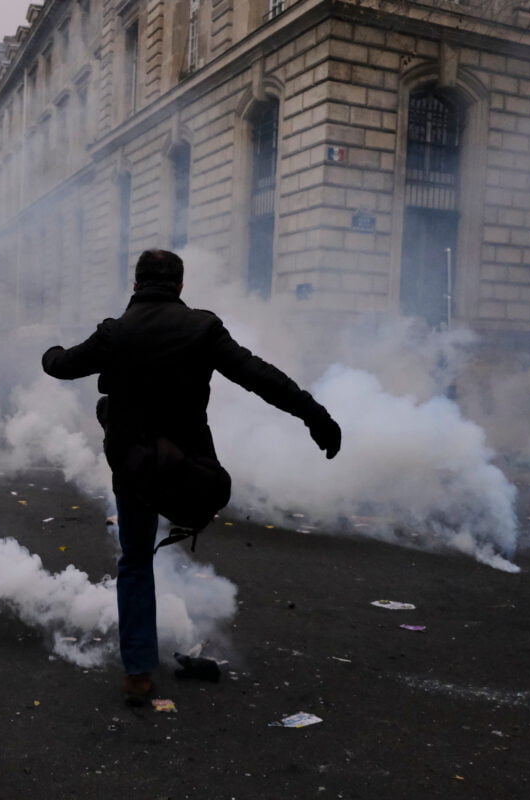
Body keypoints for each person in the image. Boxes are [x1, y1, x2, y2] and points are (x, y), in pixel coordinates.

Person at [41, 249, 342, 706]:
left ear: (136, 285)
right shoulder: (202, 328)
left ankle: (138, 672)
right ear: (180, 287)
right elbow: (259, 376)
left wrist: (51, 350)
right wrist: (313, 413)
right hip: (187, 472)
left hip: (135, 470)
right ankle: (181, 520)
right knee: (179, 494)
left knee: (135, 560)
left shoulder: (115, 333)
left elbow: (61, 365)